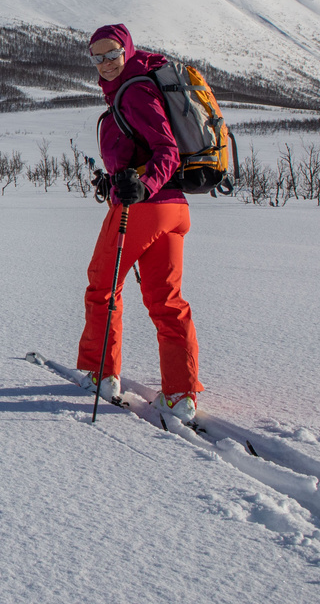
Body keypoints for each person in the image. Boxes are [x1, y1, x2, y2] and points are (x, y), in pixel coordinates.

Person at [79, 23, 202, 423]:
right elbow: (143, 150)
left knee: (102, 286)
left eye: (112, 53)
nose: (106, 63)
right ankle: (180, 394)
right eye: (96, 56)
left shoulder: (135, 90)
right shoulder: (136, 86)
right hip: (174, 209)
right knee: (166, 300)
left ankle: (102, 375)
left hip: (145, 210)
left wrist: (142, 186)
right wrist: (116, 178)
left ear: (127, 49)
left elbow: (166, 148)